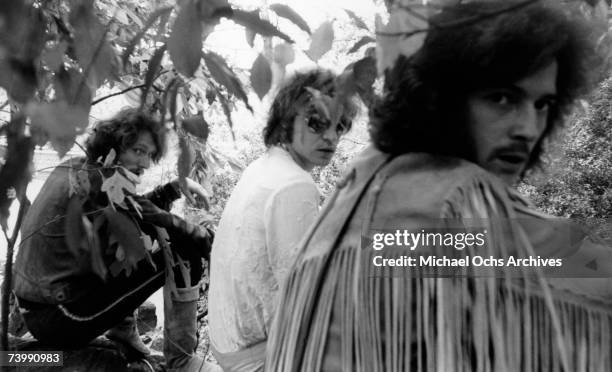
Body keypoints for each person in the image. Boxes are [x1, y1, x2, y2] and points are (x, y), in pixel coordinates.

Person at [266, 1, 612, 371]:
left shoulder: (369, 172)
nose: (528, 128)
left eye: (543, 104)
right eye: (502, 98)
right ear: (443, 97)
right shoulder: (452, 199)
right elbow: (580, 272)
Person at [14, 109, 219, 372]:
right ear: (113, 146)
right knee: (182, 244)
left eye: (148, 154)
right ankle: (181, 359)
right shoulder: (102, 182)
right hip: (62, 316)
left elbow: (134, 213)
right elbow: (160, 221)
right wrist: (208, 238)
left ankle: (122, 333)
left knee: (134, 241)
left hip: (39, 313)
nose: (145, 163)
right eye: (138, 151)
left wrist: (173, 189)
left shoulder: (77, 167)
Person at [208, 69, 358, 371]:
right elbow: (309, 299)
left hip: (225, 339)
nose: (330, 136)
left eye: (339, 126)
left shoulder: (265, 166)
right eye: (317, 122)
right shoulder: (294, 185)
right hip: (255, 355)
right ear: (286, 120)